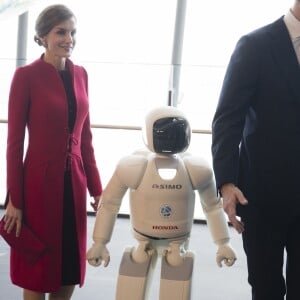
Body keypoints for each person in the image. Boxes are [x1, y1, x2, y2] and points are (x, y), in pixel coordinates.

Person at [2, 4, 102, 300]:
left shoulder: (81, 75)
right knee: (37, 267)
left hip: (74, 187)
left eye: (72, 32)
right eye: (61, 32)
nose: (69, 38)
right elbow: (13, 144)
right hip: (37, 189)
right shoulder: (26, 76)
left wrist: (98, 190)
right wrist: (15, 200)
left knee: (69, 266)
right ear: (43, 36)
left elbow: (86, 140)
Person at [87, 106, 236, 300]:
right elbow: (109, 204)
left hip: (164, 241)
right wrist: (100, 242)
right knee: (155, 271)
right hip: (153, 240)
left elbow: (109, 204)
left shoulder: (135, 167)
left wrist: (223, 243)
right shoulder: (193, 169)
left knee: (162, 271)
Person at [211, 1, 300, 300]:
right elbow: (227, 120)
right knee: (266, 289)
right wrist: (226, 183)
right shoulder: (255, 45)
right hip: (262, 196)